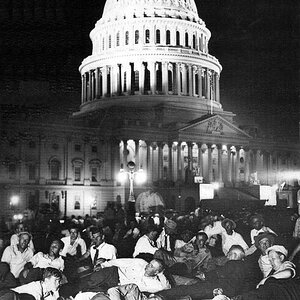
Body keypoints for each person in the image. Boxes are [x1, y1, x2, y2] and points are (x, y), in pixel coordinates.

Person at [156, 245, 247, 300]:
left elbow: (219, 273)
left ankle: (160, 295)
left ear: (234, 255)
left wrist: (204, 275)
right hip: (225, 290)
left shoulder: (233, 263)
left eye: (229, 254)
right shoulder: (244, 267)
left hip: (216, 288)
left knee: (187, 289)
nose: (227, 256)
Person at [81, 258, 170, 294]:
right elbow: (121, 261)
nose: (147, 266)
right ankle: (68, 290)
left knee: (90, 292)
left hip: (117, 287)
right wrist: (104, 265)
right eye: (149, 263)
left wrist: (161, 274)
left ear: (156, 272)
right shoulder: (141, 262)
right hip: (114, 273)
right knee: (87, 282)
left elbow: (166, 287)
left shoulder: (154, 283)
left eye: (151, 266)